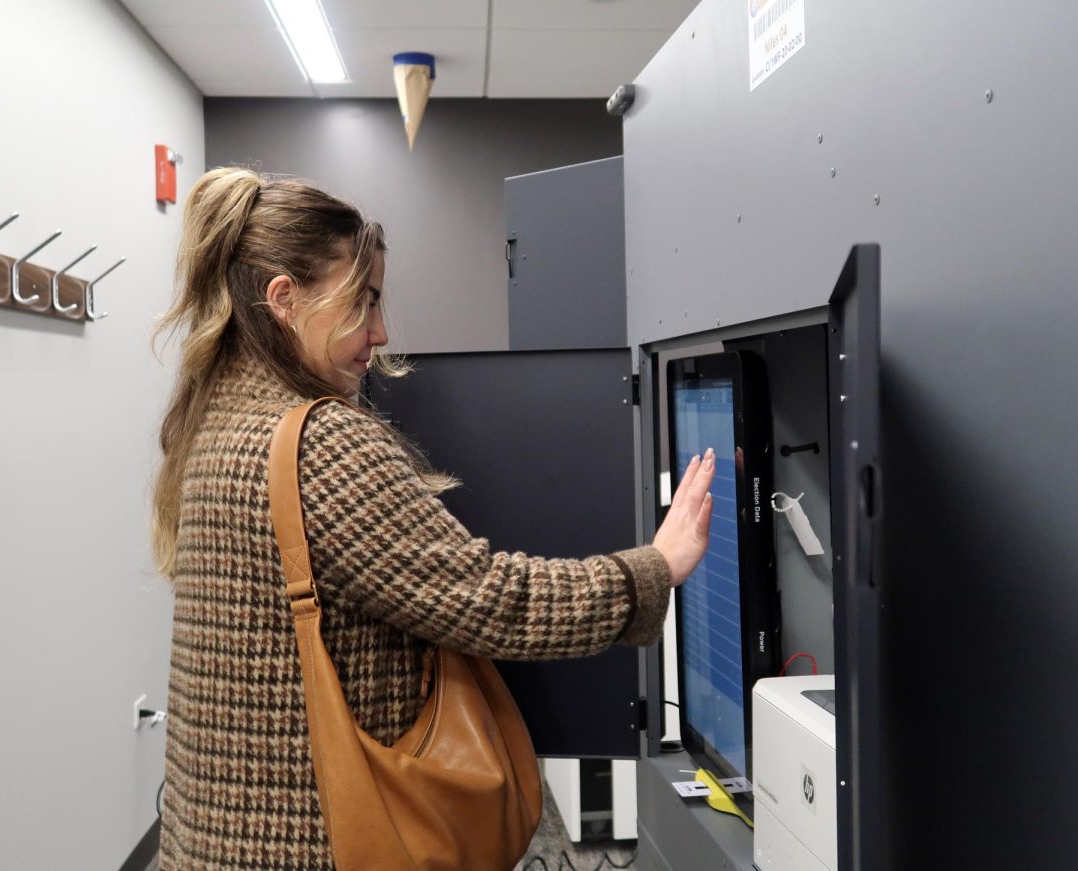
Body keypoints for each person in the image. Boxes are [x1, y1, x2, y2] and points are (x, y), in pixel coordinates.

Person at [151, 167, 716, 869]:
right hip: (316, 842)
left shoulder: (215, 421)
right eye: (364, 302)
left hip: (214, 834)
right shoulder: (319, 442)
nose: (382, 331)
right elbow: (490, 600)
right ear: (284, 299)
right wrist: (653, 569)